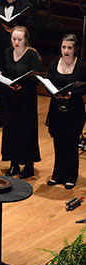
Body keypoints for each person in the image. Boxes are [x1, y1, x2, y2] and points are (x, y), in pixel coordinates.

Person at [0, 25, 41, 179]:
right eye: (14, 39)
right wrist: (0, 73)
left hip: (26, 99)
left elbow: (36, 77)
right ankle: (14, 164)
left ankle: (28, 165)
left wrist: (23, 84)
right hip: (10, 98)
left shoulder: (31, 55)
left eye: (19, 39)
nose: (16, 42)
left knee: (25, 130)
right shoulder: (8, 52)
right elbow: (4, 68)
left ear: (25, 40)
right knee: (10, 129)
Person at [46, 34, 86, 190]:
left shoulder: (82, 66)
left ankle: (71, 176)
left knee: (70, 142)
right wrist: (54, 93)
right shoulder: (53, 65)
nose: (66, 50)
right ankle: (57, 175)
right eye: (64, 47)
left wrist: (71, 94)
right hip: (56, 109)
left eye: (69, 47)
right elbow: (49, 83)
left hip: (74, 110)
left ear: (75, 49)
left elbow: (84, 86)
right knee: (58, 142)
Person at [0, 0, 34, 130]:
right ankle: (0, 118)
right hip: (0, 51)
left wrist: (16, 28)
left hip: (19, 51)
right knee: (1, 86)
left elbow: (31, 26)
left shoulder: (26, 5)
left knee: (19, 85)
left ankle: (17, 119)